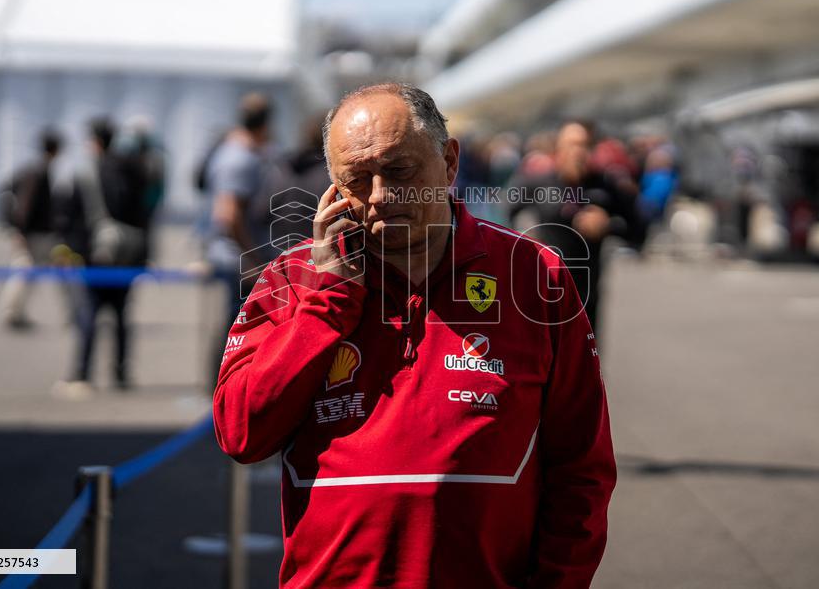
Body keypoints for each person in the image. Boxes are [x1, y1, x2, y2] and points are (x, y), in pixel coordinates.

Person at [214, 83, 615, 587]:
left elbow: (583, 466)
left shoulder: (536, 274)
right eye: (356, 179)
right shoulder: (290, 280)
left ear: (449, 162)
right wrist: (327, 303)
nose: (381, 196)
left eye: (400, 170)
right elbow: (241, 434)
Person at [508, 120, 645, 334]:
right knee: (543, 361)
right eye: (571, 144)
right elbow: (503, 214)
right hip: (542, 294)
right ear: (558, 148)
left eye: (584, 145)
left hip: (586, 296)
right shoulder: (538, 184)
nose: (578, 152)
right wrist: (526, 240)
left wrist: (607, 225)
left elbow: (639, 229)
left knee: (584, 363)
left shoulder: (606, 187)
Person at [53, 118, 153, 398]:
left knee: (89, 314)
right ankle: (121, 372)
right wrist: (144, 255)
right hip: (128, 255)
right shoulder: (133, 170)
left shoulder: (87, 172)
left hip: (94, 255)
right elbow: (145, 214)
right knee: (121, 315)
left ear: (94, 141)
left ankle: (83, 373)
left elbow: (69, 214)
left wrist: (70, 250)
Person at [204, 93, 284, 384]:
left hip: (233, 255)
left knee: (236, 326)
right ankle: (225, 387)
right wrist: (252, 259)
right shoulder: (240, 159)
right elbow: (227, 214)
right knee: (239, 328)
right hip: (237, 258)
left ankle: (225, 385)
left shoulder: (236, 152)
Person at [0, 128, 62, 329]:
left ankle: (15, 312)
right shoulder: (39, 172)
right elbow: (25, 204)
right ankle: (11, 313)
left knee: (26, 273)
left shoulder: (35, 169)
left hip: (32, 232)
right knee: (24, 271)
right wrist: (20, 232)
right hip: (31, 234)